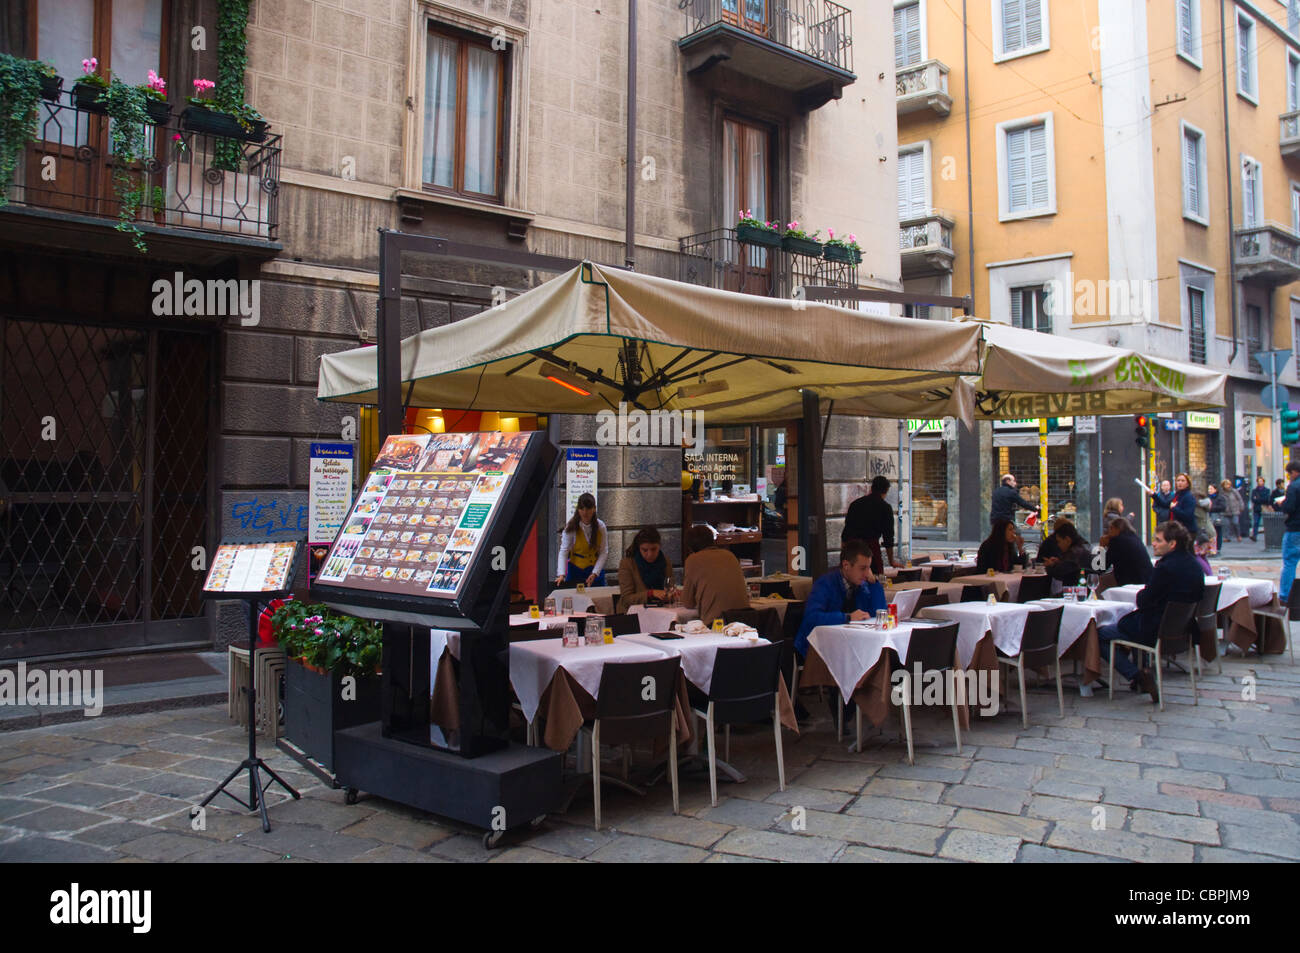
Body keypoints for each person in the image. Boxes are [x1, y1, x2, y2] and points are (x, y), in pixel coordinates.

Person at [1095, 521, 1203, 704]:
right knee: (1133, 625)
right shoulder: (1194, 565)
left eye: (1158, 540)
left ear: (1172, 544)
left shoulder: (1165, 567)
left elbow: (1144, 600)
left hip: (1154, 629)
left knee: (1099, 635)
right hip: (1182, 632)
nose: (1153, 543)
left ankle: (1136, 675)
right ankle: (1141, 673)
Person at [794, 539, 888, 658]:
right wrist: (847, 617)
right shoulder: (825, 584)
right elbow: (811, 618)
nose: (867, 573)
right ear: (846, 565)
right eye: (862, 568)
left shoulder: (863, 585)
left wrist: (875, 584)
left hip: (849, 646)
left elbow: (879, 615)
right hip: (817, 650)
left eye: (869, 568)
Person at [680, 524, 751, 626]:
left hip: (718, 624)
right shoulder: (729, 555)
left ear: (689, 547)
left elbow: (688, 603)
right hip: (745, 620)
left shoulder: (693, 560)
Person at [842, 476, 897, 574]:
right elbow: (888, 537)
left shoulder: (855, 504)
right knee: (874, 580)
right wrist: (891, 560)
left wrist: (844, 556)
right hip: (871, 551)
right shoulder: (885, 508)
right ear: (886, 491)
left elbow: (845, 534)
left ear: (872, 488)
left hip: (852, 551)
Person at [554, 492, 608, 586]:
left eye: (588, 509)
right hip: (576, 571)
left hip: (595, 570)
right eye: (582, 508)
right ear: (578, 510)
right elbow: (564, 551)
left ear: (594, 509)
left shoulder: (601, 527)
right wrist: (561, 574)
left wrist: (595, 573)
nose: (585, 512)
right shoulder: (571, 527)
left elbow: (604, 551)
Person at [616, 526, 674, 612]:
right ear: (639, 548)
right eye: (645, 550)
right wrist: (651, 593)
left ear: (660, 546)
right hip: (632, 615)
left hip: (661, 611)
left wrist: (671, 595)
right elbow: (626, 599)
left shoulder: (665, 561)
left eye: (654, 549)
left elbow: (669, 588)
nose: (650, 554)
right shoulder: (628, 564)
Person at [1099, 516, 1153, 585]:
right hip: (1147, 579)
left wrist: (1102, 548)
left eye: (1110, 529)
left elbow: (1101, 567)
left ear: (1116, 529)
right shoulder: (1135, 538)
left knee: (1099, 581)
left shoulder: (1116, 541)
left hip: (1131, 583)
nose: (1108, 533)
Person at [1041, 521, 1091, 589]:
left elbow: (1059, 572)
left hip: (1073, 591)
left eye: (1059, 541)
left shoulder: (1074, 552)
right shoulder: (1083, 547)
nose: (1058, 545)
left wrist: (1050, 566)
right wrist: (1059, 562)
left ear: (1068, 540)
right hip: (1084, 589)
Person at [1278, 460, 1300, 601]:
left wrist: (1282, 503)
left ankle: (1286, 596)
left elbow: (1289, 508)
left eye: (1289, 474)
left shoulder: (1293, 487)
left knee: (1289, 562)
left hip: (1295, 528)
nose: (1288, 477)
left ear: (1294, 472)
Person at [1169, 472, 1198, 537]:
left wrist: (1174, 508)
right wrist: (1154, 495)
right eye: (1178, 480)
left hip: (1187, 530)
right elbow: (1166, 504)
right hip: (1177, 529)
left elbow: (1188, 515)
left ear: (1187, 484)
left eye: (1183, 481)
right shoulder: (1177, 495)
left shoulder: (1188, 496)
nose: (1180, 483)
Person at [1218, 479, 1243, 543]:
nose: (1227, 486)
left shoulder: (1234, 491)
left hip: (1234, 510)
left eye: (1228, 484)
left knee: (1235, 523)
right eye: (1226, 484)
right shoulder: (1221, 493)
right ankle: (1227, 537)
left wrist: (1241, 506)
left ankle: (1238, 535)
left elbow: (1239, 499)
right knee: (1226, 524)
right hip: (1225, 511)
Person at [1250, 476, 1272, 541]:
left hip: (1264, 508)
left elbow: (1266, 499)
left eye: (1261, 481)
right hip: (1257, 508)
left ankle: (1269, 536)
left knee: (1267, 523)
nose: (1260, 482)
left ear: (1263, 482)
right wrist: (1259, 499)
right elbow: (1253, 499)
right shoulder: (1254, 491)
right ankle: (1254, 535)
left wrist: (1258, 499)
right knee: (1256, 522)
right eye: (1259, 481)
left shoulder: (1267, 490)